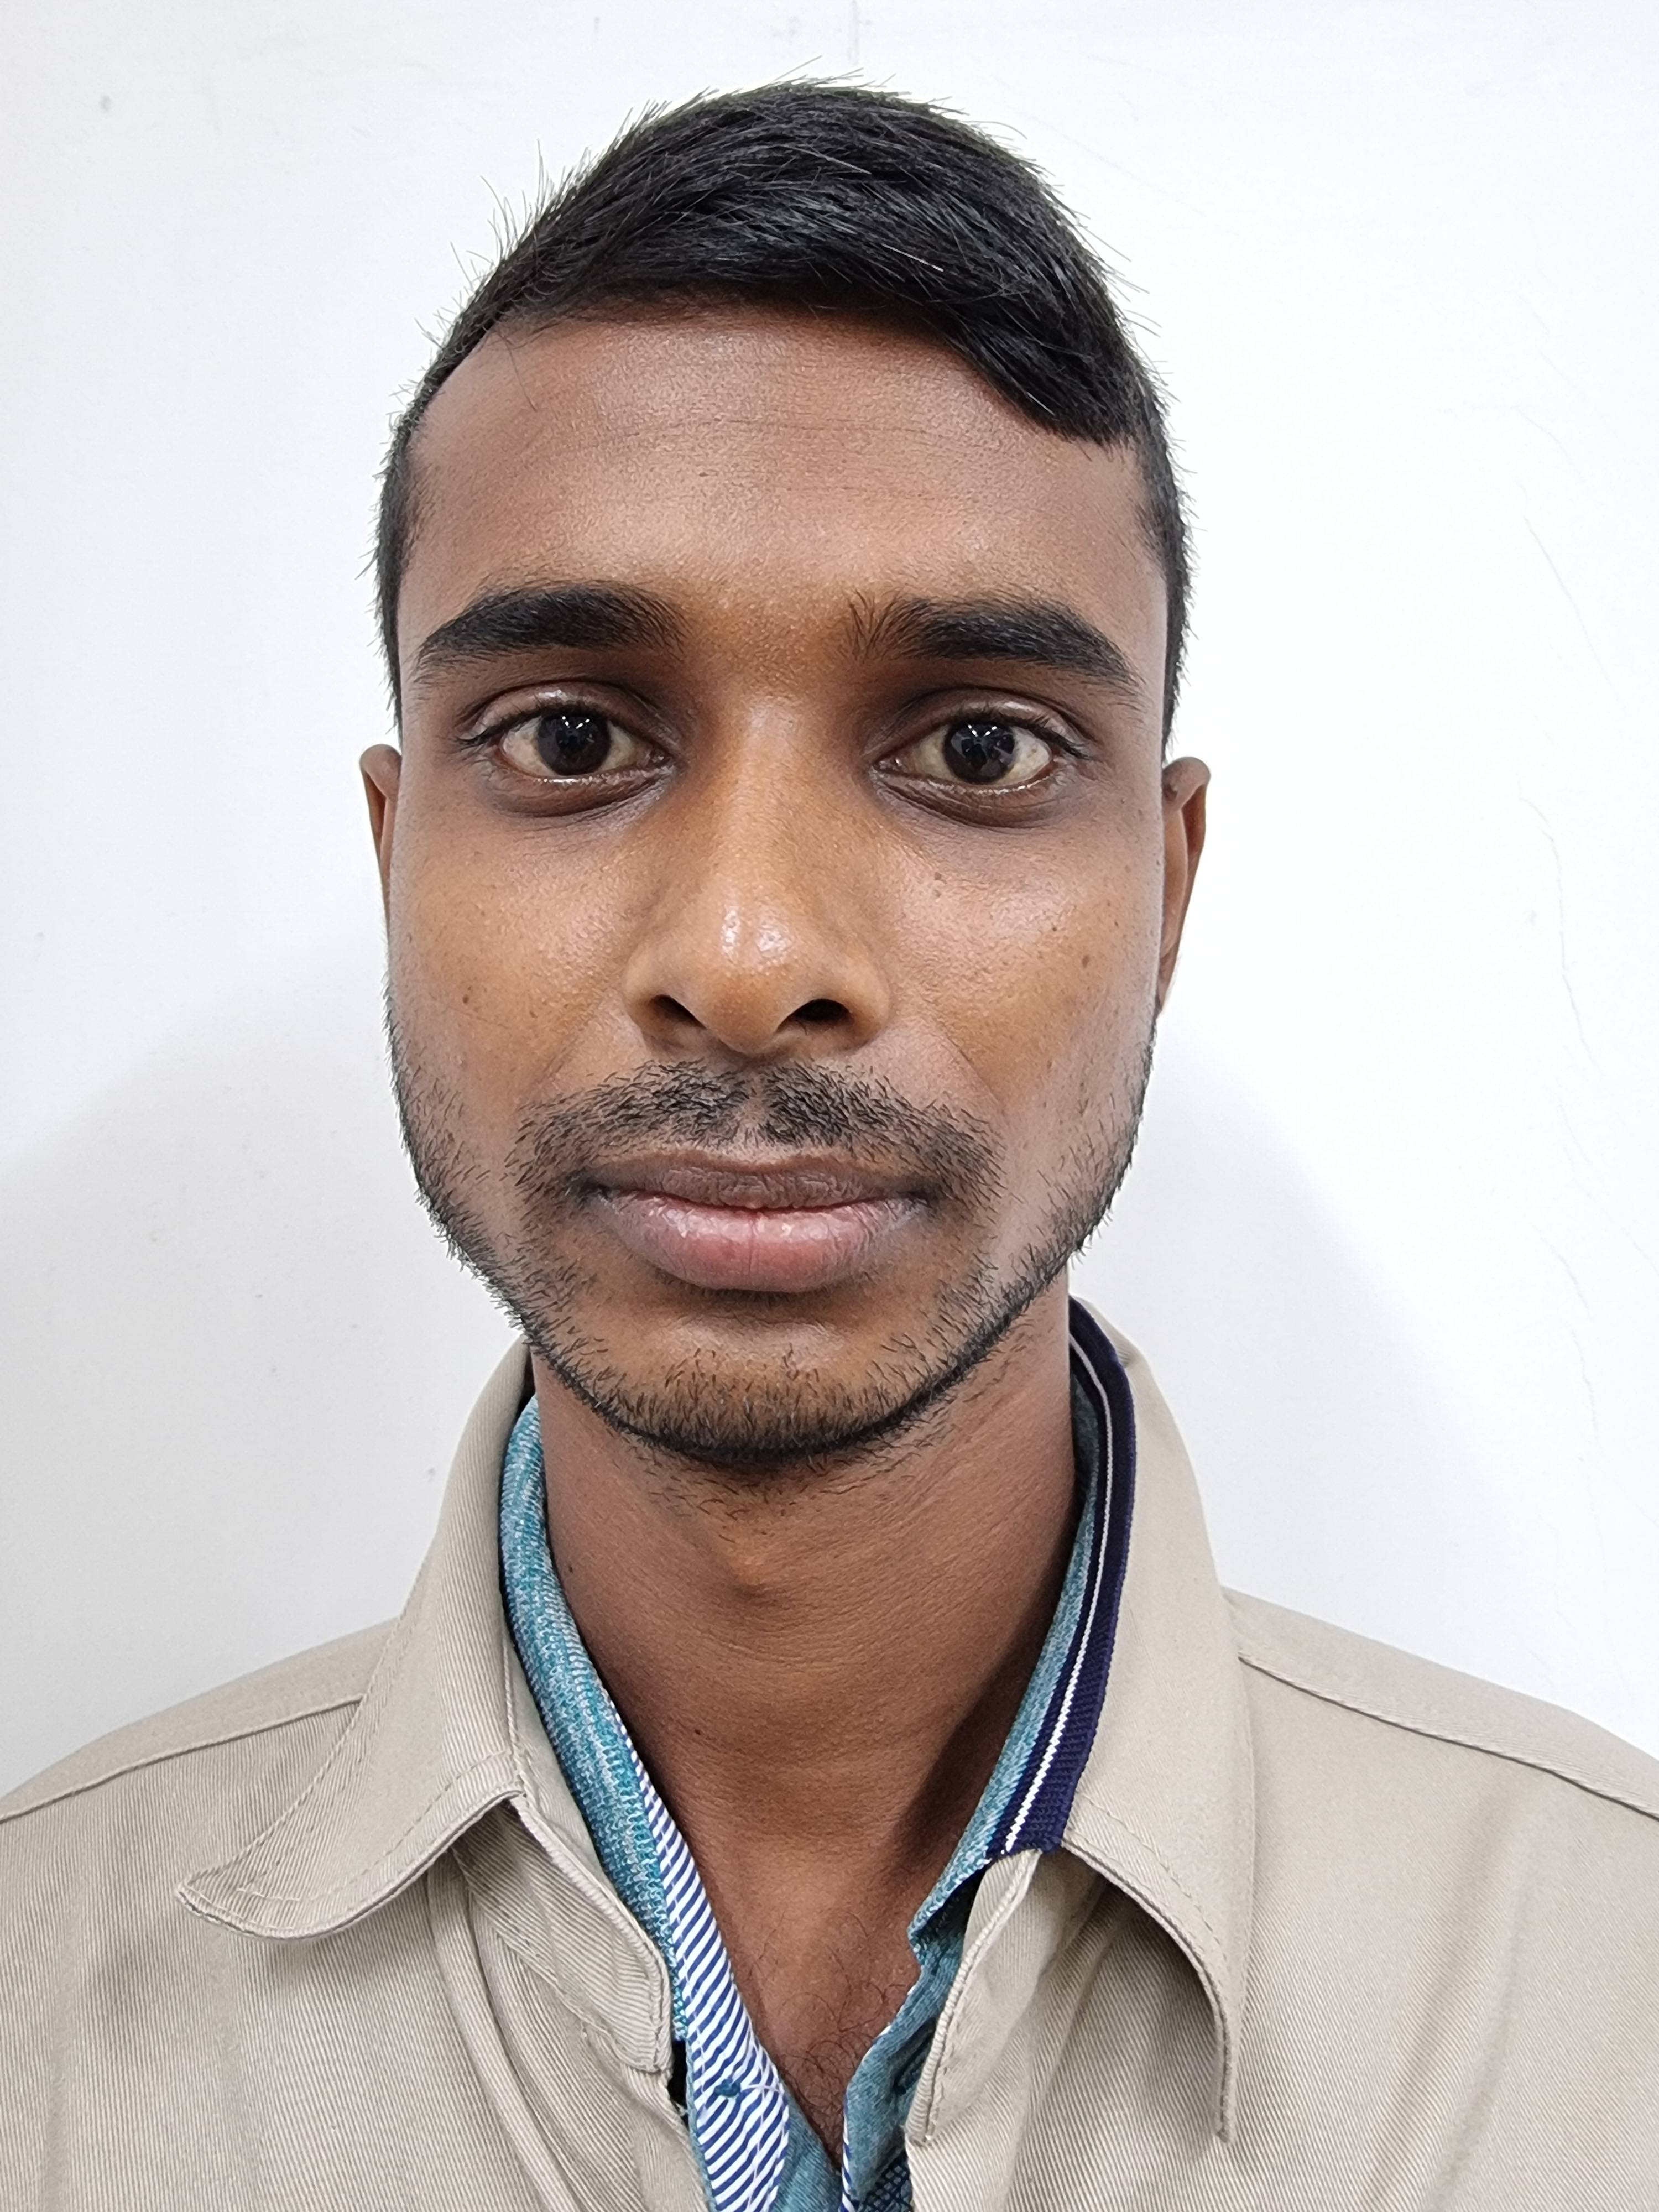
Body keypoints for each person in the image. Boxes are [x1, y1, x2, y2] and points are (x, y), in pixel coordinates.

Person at [2, 80, 1655, 2212]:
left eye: (977, 746)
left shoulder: (1611, 2002)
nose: (752, 954)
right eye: (574, 737)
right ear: (396, 858)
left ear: (1169, 894)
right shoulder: (38, 2019)